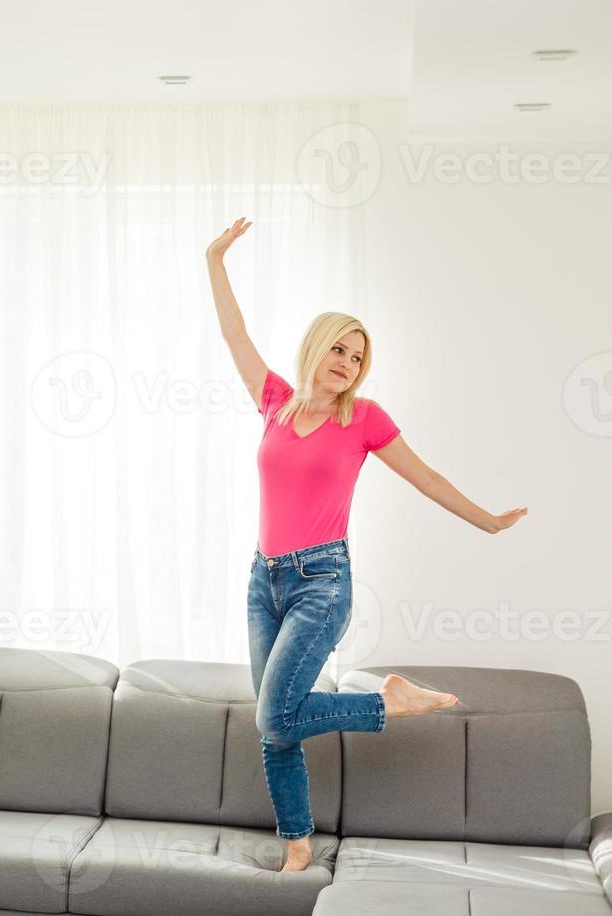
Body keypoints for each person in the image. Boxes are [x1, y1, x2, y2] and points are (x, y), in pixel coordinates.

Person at [204, 217, 528, 873]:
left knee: (274, 712)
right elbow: (235, 334)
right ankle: (297, 844)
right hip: (261, 583)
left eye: (357, 357)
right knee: (277, 725)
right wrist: (215, 258)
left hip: (321, 585)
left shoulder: (365, 420)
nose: (348, 364)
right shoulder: (274, 402)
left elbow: (427, 477)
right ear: (317, 348)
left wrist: (488, 521)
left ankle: (389, 703)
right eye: (340, 350)